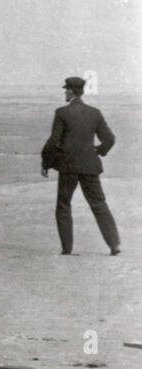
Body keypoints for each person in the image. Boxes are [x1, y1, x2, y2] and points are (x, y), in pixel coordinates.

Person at [41, 76, 120, 255]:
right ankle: (114, 245)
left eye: (66, 90)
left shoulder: (62, 113)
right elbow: (109, 139)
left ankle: (67, 249)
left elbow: (54, 142)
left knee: (63, 205)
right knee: (99, 204)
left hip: (68, 166)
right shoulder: (95, 113)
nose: (64, 92)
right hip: (90, 165)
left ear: (70, 91)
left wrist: (46, 163)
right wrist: (99, 151)